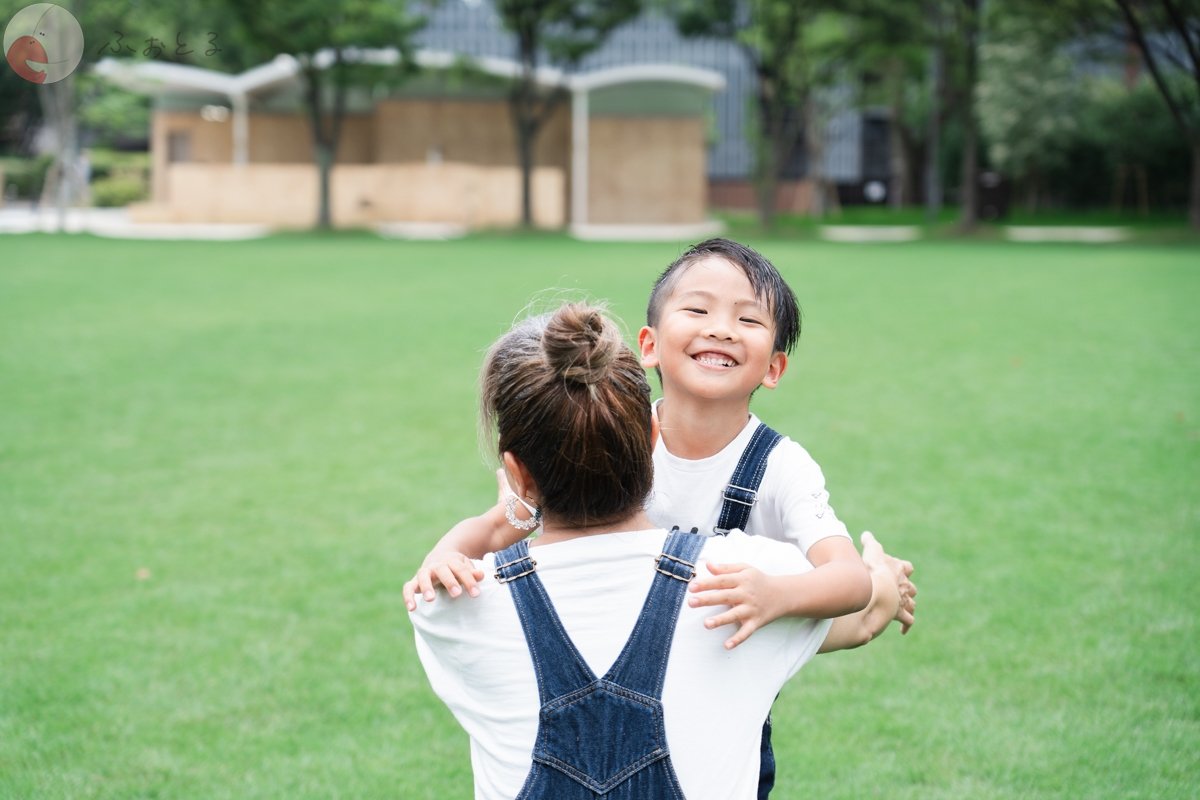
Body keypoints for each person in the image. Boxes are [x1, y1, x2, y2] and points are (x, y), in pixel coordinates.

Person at [405, 239, 917, 796]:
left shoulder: (779, 469)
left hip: (727, 625)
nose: (720, 329)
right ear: (648, 348)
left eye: (747, 319)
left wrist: (778, 596)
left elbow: (846, 585)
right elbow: (496, 524)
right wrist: (442, 560)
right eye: (697, 310)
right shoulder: (607, 430)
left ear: (775, 368)